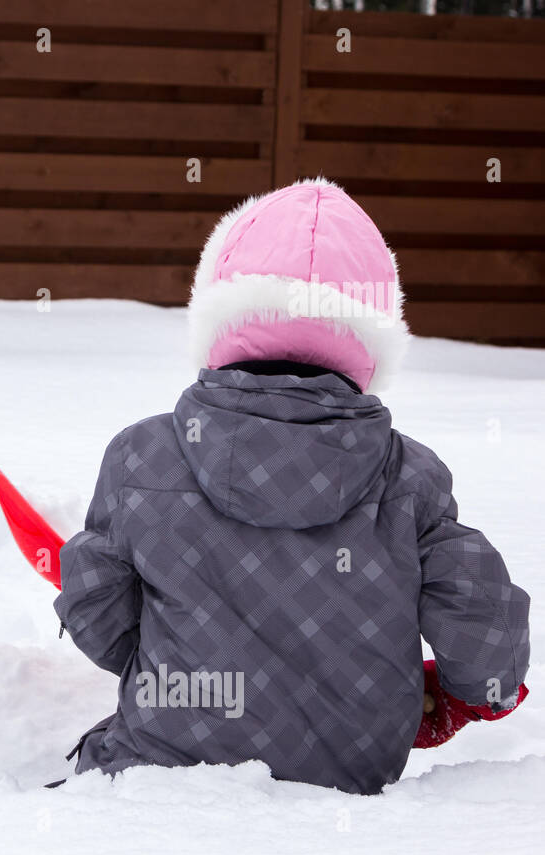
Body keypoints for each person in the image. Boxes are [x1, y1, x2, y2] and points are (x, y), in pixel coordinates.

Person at [55, 178, 529, 794]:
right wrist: (469, 698)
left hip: (158, 779)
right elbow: (485, 629)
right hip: (350, 789)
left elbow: (94, 608)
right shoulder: (409, 478)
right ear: (372, 335)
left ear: (221, 316)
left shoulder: (143, 458)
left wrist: (174, 667)